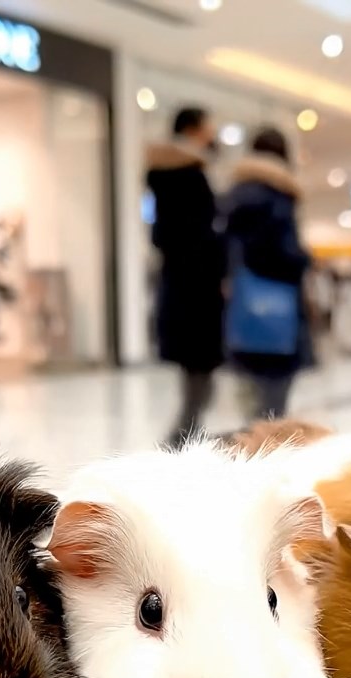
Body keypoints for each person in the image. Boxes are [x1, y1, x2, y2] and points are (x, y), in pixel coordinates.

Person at [146, 107, 225, 446]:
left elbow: (161, 236)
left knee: (196, 377)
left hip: (180, 288)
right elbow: (203, 234)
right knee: (201, 378)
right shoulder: (192, 175)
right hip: (199, 289)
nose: (213, 131)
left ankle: (185, 438)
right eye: (209, 125)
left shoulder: (164, 177)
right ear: (194, 129)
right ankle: (180, 442)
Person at [224, 126, 311, 421]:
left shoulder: (235, 195)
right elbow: (281, 252)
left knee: (251, 397)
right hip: (279, 308)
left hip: (244, 305)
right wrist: (303, 260)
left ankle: (251, 449)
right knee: (274, 402)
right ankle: (266, 455)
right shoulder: (277, 197)